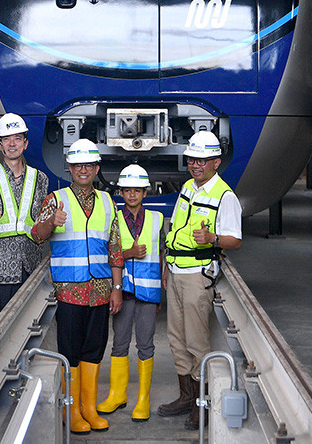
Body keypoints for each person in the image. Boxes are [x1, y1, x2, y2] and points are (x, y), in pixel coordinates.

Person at [31, 138, 125, 434]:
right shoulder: (55, 200)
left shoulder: (108, 202)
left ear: (97, 168)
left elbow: (115, 248)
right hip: (69, 291)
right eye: (77, 165)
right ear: (69, 168)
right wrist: (52, 222)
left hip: (100, 289)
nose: (83, 170)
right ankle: (70, 411)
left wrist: (117, 287)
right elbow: (37, 235)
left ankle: (88, 407)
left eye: (88, 165)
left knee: (94, 349)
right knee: (69, 350)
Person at [158, 130, 242, 430]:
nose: (196, 165)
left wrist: (212, 238)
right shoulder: (187, 189)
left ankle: (200, 404)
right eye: (193, 159)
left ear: (216, 162)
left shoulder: (225, 196)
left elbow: (235, 240)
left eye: (203, 160)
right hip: (177, 271)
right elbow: (175, 230)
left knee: (196, 341)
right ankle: (185, 396)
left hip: (197, 276)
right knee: (176, 339)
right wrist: (167, 267)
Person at [97, 164, 166, 422]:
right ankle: (117, 394)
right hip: (123, 291)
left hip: (148, 294)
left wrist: (161, 289)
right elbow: (106, 254)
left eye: (137, 190)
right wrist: (128, 254)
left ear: (145, 193)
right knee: (120, 343)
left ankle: (143, 399)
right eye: (127, 190)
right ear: (121, 193)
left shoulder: (157, 220)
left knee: (146, 345)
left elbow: (162, 256)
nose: (132, 195)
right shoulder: (113, 218)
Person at [0, 113, 48, 338]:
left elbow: (39, 220)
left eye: (17, 138)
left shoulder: (39, 178)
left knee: (22, 334)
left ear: (26, 143)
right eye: (6, 139)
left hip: (26, 266)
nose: (12, 144)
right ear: (0, 144)